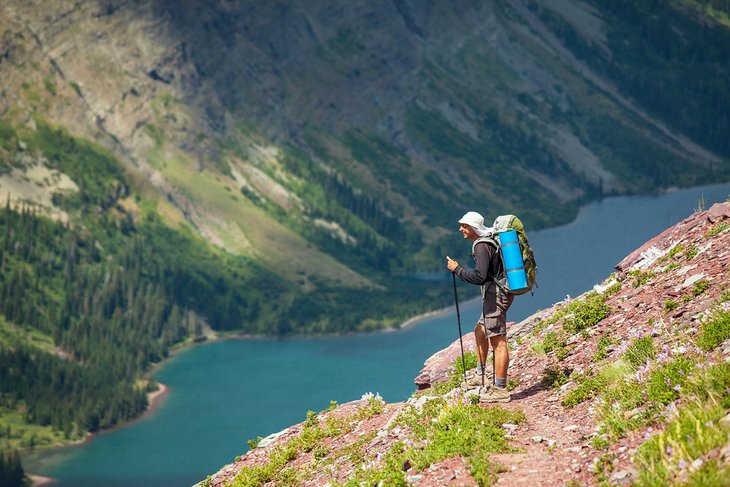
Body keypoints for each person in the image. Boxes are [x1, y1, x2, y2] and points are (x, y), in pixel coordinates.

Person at [446, 211, 513, 403]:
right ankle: (480, 374)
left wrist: (457, 270)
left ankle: (500, 389)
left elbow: (480, 277)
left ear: (474, 228)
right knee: (480, 330)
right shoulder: (487, 242)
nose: (461, 229)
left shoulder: (482, 246)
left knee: (498, 341)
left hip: (496, 296)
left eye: (464, 226)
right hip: (498, 294)